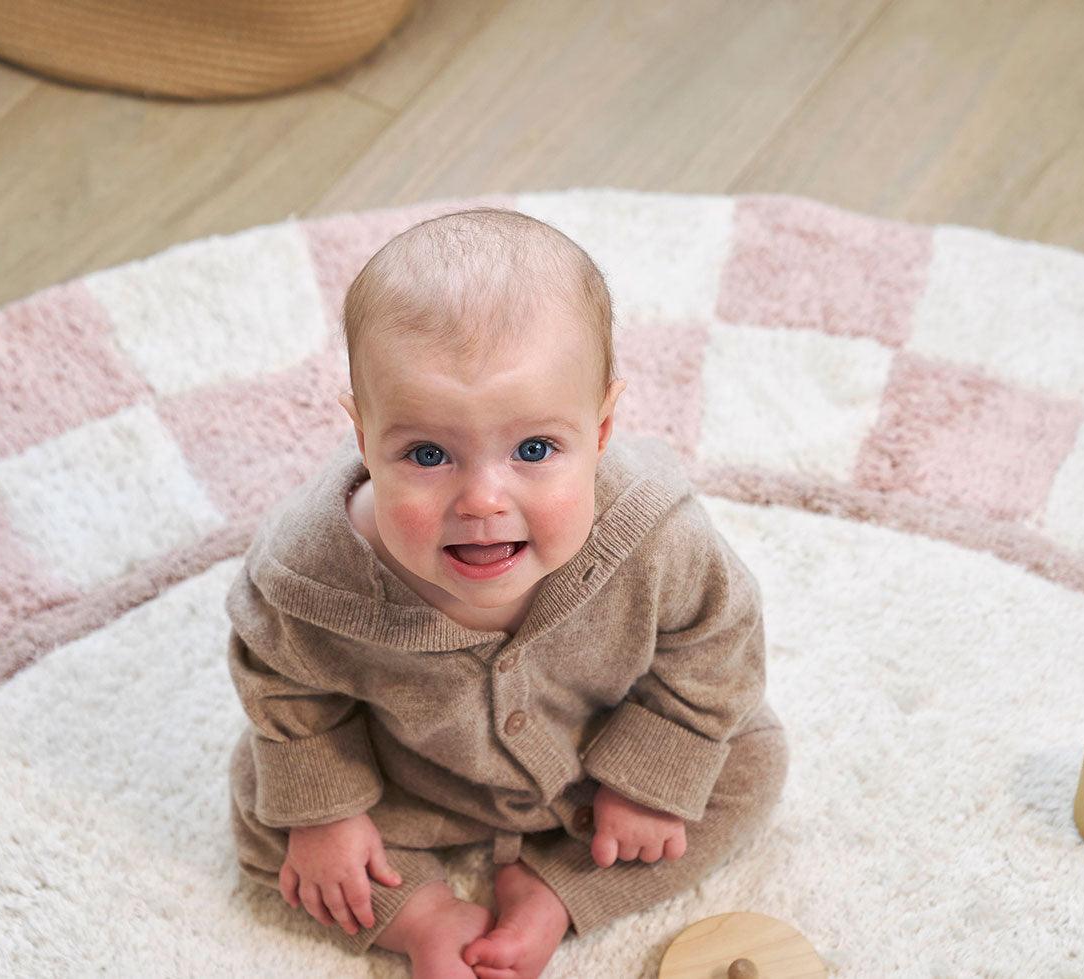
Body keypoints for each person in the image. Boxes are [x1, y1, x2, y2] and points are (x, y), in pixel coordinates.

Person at [226, 207, 788, 979]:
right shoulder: (306, 574)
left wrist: (649, 777)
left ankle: (555, 892)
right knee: (271, 810)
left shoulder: (654, 532)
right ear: (363, 437)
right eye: (428, 453)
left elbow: (718, 640)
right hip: (414, 777)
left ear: (601, 429)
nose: (483, 499)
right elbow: (284, 687)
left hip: (601, 756)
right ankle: (422, 919)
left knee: (750, 759)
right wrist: (329, 812)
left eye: (534, 449)